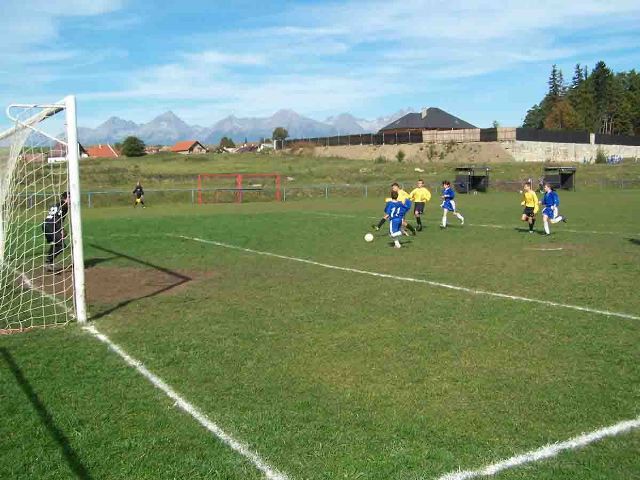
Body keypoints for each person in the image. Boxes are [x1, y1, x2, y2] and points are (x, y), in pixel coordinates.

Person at [42, 192, 69, 272]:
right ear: (66, 198)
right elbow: (58, 219)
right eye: (70, 198)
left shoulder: (57, 204)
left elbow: (57, 216)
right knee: (61, 245)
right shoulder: (64, 206)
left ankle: (49, 262)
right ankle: (48, 262)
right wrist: (61, 229)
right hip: (51, 226)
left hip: (46, 225)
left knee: (56, 243)